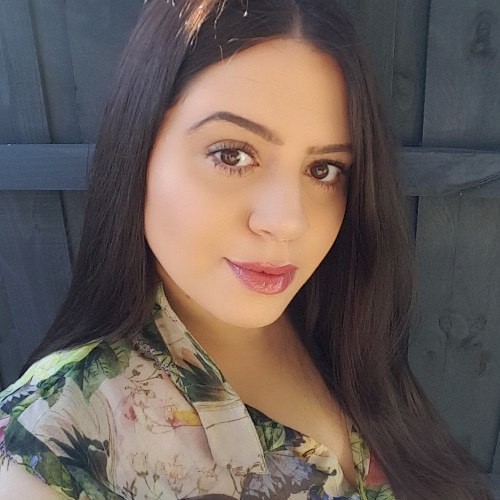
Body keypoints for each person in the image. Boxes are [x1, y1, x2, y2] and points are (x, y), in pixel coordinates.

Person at [0, 0, 494, 498]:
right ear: (138, 149)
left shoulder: (339, 323)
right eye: (232, 154)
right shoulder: (52, 443)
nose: (288, 221)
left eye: (323, 169)